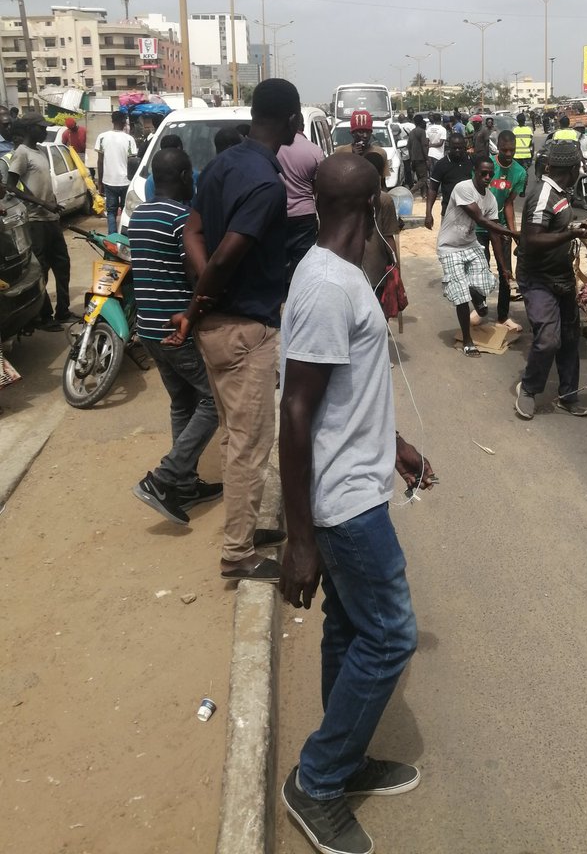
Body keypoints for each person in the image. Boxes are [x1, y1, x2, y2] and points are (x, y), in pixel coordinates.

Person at [278, 155, 436, 854]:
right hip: (343, 508)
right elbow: (295, 412)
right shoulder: (327, 286)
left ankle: (342, 759)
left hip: (359, 484)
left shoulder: (339, 277)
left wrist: (395, 443)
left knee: (349, 630)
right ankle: (317, 782)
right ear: (373, 203)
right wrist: (299, 539)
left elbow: (344, 390)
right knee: (392, 635)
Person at [169, 78, 298, 582]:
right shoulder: (267, 184)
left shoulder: (225, 162)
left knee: (232, 435)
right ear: (290, 121)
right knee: (251, 442)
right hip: (245, 327)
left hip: (218, 327)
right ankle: (237, 552)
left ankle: (242, 528)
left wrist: (201, 294)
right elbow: (227, 253)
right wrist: (204, 297)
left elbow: (193, 231)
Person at [130, 148, 222, 526]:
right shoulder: (181, 219)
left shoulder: (139, 215)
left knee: (182, 402)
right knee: (214, 402)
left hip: (150, 329)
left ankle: (183, 483)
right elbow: (195, 276)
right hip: (176, 327)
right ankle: (165, 477)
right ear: (185, 175)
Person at [514, 140, 587, 420]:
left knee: (570, 338)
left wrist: (573, 226)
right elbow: (532, 240)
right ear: (572, 168)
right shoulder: (543, 194)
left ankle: (568, 396)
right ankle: (529, 389)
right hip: (538, 278)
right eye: (579, 166)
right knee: (548, 340)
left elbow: (554, 224)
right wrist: (571, 234)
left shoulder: (561, 192)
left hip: (562, 276)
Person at [437, 155, 511, 356]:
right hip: (450, 247)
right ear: (475, 173)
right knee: (461, 295)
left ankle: (477, 296)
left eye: (490, 174)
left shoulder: (491, 199)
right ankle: (468, 341)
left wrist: (503, 267)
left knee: (487, 283)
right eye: (483, 173)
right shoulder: (463, 188)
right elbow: (481, 220)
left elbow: (494, 233)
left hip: (470, 245)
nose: (487, 177)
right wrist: (513, 234)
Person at [6, 114, 74, 330]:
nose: (45, 131)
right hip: (36, 220)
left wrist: (50, 206)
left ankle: (63, 311)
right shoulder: (22, 153)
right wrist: (41, 203)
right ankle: (45, 317)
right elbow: (10, 186)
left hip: (52, 219)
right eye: (40, 127)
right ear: (28, 129)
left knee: (62, 265)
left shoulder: (40, 151)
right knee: (41, 268)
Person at [474, 132, 525, 335]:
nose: (509, 154)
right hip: (480, 227)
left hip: (501, 227)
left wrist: (513, 234)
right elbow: (475, 195)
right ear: (498, 147)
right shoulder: (487, 166)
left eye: (512, 150)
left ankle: (503, 316)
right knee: (480, 269)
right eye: (504, 150)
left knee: (506, 272)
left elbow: (509, 204)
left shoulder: (519, 172)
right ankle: (480, 309)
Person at [278, 115, 325, 284]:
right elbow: (319, 188)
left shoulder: (275, 148)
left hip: (278, 213)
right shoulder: (315, 151)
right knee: (303, 260)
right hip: (305, 214)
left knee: (278, 257)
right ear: (303, 127)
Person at [361, 150, 399, 303]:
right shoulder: (384, 199)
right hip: (376, 269)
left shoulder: (350, 195)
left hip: (356, 267)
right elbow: (388, 237)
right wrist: (396, 265)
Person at [95, 112, 138, 233]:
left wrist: (100, 182)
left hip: (109, 181)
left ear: (112, 121)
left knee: (111, 212)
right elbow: (132, 162)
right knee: (126, 212)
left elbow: (100, 161)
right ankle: (124, 237)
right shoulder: (129, 139)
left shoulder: (102, 137)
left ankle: (112, 239)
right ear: (125, 122)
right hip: (126, 181)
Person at [424, 131, 472, 228]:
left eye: (460, 147)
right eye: (454, 148)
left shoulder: (473, 161)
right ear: (449, 147)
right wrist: (428, 213)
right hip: (449, 212)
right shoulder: (442, 164)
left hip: (471, 213)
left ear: (465, 146)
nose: (457, 150)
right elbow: (433, 188)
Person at [405, 114, 429, 198]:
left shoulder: (412, 132)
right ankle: (410, 192)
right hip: (421, 158)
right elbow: (424, 146)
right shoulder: (422, 132)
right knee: (424, 179)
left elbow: (409, 147)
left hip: (414, 158)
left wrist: (411, 159)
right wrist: (427, 158)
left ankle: (424, 194)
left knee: (420, 178)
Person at [512, 112, 534, 178]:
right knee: (524, 172)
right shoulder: (529, 130)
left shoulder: (514, 130)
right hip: (526, 156)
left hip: (516, 156)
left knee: (517, 172)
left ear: (517, 121)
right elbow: (531, 143)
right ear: (524, 121)